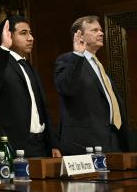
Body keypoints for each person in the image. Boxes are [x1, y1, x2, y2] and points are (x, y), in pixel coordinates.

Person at [0, 16, 60, 159]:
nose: (31, 38)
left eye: (30, 33)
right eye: (23, 33)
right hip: (13, 145)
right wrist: (4, 48)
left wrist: (53, 144)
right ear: (8, 35)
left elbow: (42, 108)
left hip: (40, 145)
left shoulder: (30, 68)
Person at [54, 15, 128, 155]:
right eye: (94, 30)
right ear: (80, 36)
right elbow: (66, 88)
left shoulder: (99, 65)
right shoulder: (67, 60)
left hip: (112, 140)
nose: (101, 33)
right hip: (86, 144)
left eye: (100, 30)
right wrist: (78, 55)